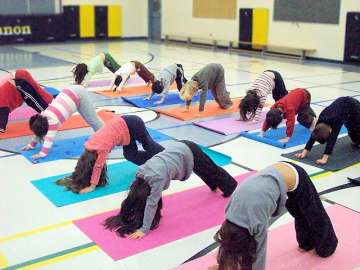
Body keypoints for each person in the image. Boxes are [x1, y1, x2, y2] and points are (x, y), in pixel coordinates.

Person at [210, 162, 338, 270]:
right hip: (273, 176)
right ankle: (307, 243)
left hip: (295, 175)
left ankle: (327, 246)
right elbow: (227, 245)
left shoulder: (256, 222)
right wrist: (222, 266)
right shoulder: (229, 216)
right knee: (298, 212)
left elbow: (259, 252)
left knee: (314, 214)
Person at [103, 140, 238, 239]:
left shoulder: (157, 179)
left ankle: (231, 186)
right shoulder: (141, 172)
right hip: (177, 149)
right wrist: (124, 213)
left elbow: (152, 203)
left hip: (188, 150)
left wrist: (144, 230)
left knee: (210, 168)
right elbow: (132, 197)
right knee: (203, 168)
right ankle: (214, 186)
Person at [56, 115, 164, 194]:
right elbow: (84, 164)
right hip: (124, 128)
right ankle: (153, 162)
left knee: (148, 145)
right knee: (130, 155)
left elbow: (98, 166)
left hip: (132, 123)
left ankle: (168, 156)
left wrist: (92, 186)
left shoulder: (100, 148)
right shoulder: (89, 146)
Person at [21, 85, 103, 159]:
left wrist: (42, 153)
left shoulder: (52, 121)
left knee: (92, 120)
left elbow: (49, 138)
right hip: (69, 91)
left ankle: (108, 136)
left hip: (79, 94)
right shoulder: (42, 116)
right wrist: (31, 145)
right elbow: (38, 130)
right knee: (91, 119)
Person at [295, 96, 360, 165]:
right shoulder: (321, 119)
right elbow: (314, 135)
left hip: (353, 106)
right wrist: (304, 153)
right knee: (351, 130)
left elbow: (332, 139)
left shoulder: (336, 122)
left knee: (356, 127)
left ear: (330, 131)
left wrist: (324, 159)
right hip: (343, 107)